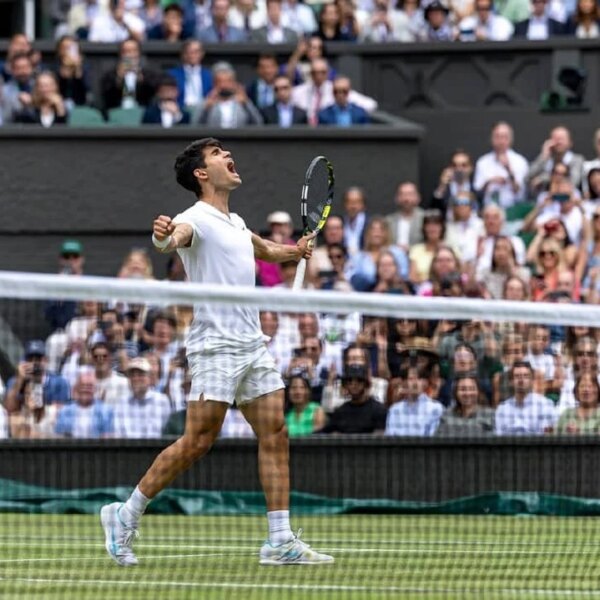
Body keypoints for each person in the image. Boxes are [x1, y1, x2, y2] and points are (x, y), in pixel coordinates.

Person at [100, 137, 332, 566]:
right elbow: (175, 239)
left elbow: (262, 249)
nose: (228, 156)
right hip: (215, 346)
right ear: (202, 174)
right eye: (217, 154)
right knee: (198, 441)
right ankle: (124, 514)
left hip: (251, 345)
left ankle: (279, 540)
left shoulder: (237, 222)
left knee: (276, 433)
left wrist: (295, 250)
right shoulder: (195, 219)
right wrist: (164, 238)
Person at [473, 122, 529, 209]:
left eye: (505, 137)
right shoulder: (482, 162)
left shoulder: (520, 161)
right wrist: (489, 182)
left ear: (511, 140)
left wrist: (508, 170)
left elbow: (521, 194)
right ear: (491, 139)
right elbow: (477, 193)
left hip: (512, 209)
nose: (501, 141)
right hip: (489, 210)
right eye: (497, 137)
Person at [319, 363, 388, 433]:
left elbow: (379, 439)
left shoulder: (379, 410)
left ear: (366, 384)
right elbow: (325, 433)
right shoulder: (341, 411)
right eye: (349, 381)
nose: (354, 384)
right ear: (345, 385)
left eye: (359, 380)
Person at [494, 361, 557, 435]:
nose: (521, 380)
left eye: (526, 376)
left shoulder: (545, 405)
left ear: (531, 380)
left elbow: (547, 436)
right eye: (517, 376)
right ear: (511, 381)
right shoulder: (502, 410)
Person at [196, 62, 263, 127]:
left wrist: (246, 103)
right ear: (214, 84)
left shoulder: (242, 102)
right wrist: (206, 108)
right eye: (220, 82)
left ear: (234, 83)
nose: (224, 85)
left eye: (228, 81)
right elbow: (194, 125)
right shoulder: (208, 103)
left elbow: (258, 123)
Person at [55, 367, 115, 438]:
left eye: (90, 386)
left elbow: (108, 438)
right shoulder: (65, 411)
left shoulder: (106, 411)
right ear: (77, 388)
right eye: (83, 385)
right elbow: (60, 437)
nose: (86, 389)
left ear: (95, 389)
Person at [385, 365, 443, 435]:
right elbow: (390, 439)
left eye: (418, 378)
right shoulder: (395, 410)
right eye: (411, 379)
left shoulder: (435, 408)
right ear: (405, 383)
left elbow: (433, 439)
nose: (415, 383)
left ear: (425, 383)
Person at [167, 40, 213, 112]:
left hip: (203, 111)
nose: (192, 55)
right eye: (189, 52)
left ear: (202, 54)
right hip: (179, 110)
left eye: (196, 52)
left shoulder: (208, 75)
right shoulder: (172, 74)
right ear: (183, 54)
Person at [385, 181, 425, 252]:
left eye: (410, 194)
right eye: (403, 195)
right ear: (397, 198)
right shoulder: (388, 221)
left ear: (418, 198)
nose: (406, 199)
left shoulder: (425, 219)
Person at [285, 371, 326, 436]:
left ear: (308, 391)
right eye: (293, 388)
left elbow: (318, 434)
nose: (298, 392)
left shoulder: (317, 410)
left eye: (302, 388)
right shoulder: (285, 412)